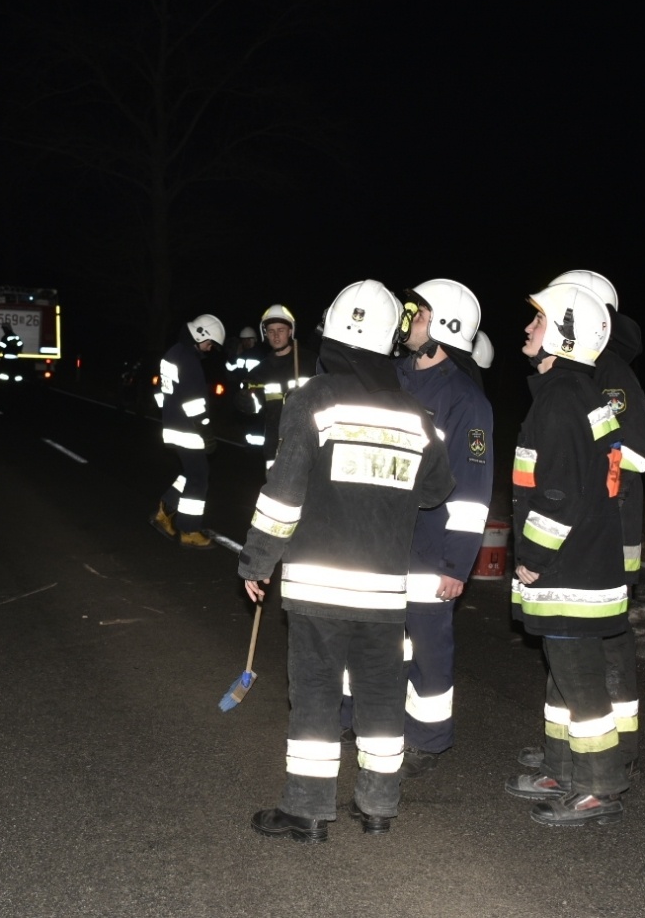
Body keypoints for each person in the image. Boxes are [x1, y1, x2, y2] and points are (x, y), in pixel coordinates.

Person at [238, 280, 454, 843]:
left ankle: (307, 812)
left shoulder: (312, 398)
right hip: (383, 589)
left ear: (333, 331)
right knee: (382, 694)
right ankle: (379, 804)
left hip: (319, 587)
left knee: (315, 693)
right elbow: (437, 489)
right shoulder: (415, 412)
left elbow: (284, 492)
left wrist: (257, 561)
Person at [503, 281, 631, 827]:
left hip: (567, 571)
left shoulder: (558, 402)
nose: (527, 329)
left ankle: (600, 788)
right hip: (588, 564)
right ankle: (562, 769)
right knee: (562, 677)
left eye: (537, 322)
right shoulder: (584, 394)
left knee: (581, 687)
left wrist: (531, 554)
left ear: (563, 334)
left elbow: (558, 495)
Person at [518, 270, 645, 782]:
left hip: (597, 541)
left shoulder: (601, 376)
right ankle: (572, 760)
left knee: (597, 658)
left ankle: (607, 765)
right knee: (570, 659)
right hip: (585, 536)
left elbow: (628, 454)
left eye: (542, 315)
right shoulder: (573, 384)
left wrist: (593, 472)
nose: (530, 326)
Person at [387, 279, 493, 780]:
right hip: (383, 539)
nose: (409, 319)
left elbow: (472, 491)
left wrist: (457, 563)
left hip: (431, 550)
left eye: (419, 312)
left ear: (445, 326)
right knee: (378, 640)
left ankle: (428, 740)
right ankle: (362, 719)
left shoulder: (466, 401)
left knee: (428, 649)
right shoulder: (391, 377)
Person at [150, 313, 225, 550]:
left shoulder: (172, 353)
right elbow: (194, 402)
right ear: (200, 333)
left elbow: (162, 394)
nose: (209, 348)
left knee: (191, 472)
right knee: (199, 477)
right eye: (209, 342)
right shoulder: (189, 360)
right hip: (188, 429)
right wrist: (205, 430)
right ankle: (189, 530)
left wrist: (169, 415)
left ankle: (165, 510)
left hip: (172, 425)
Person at [240, 304, 318, 467]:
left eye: (281, 330)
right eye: (271, 331)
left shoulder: (311, 362)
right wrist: (245, 402)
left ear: (290, 331)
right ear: (265, 334)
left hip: (307, 445)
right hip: (274, 447)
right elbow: (255, 407)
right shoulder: (259, 372)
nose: (276, 336)